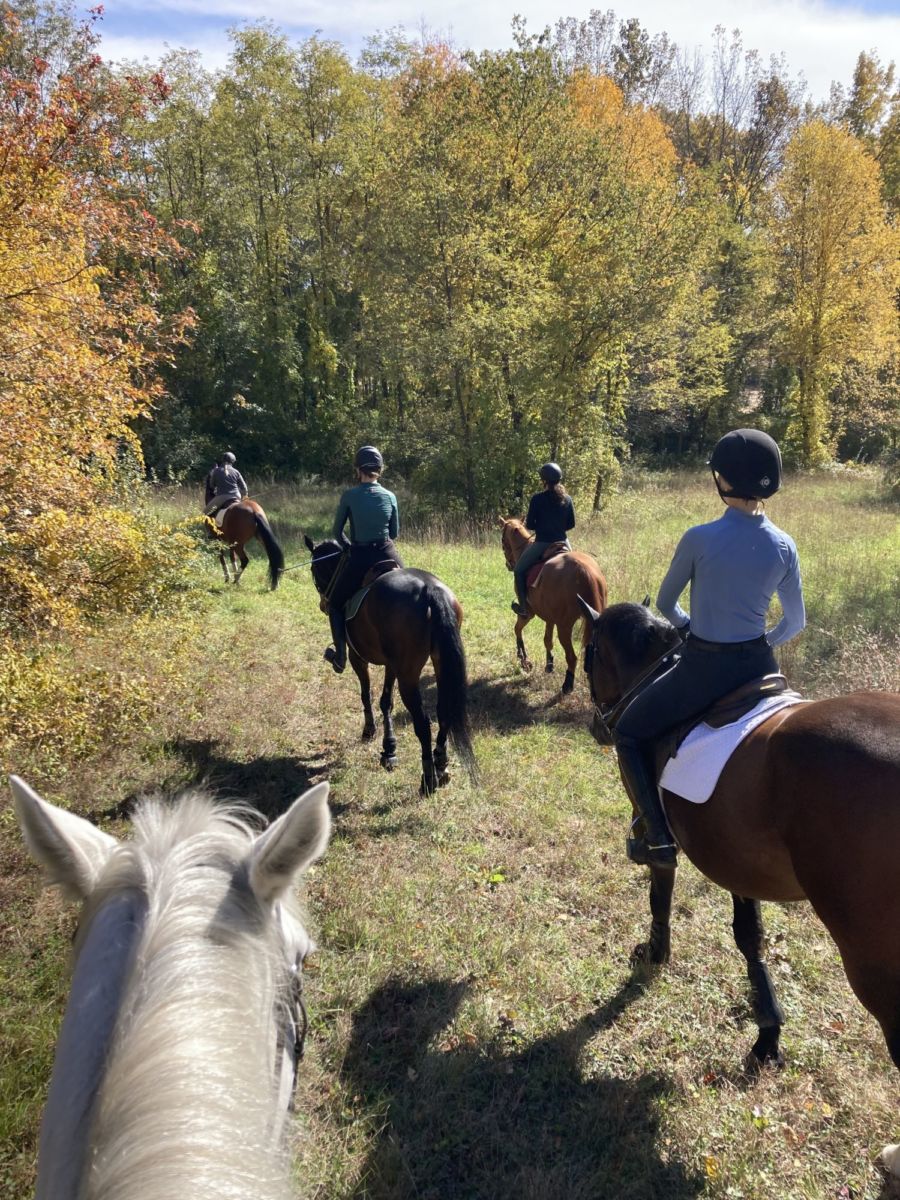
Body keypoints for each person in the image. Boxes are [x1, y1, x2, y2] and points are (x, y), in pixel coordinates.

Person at [613, 428, 806, 869]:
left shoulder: (698, 538)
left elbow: (665, 604)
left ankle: (658, 838)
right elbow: (795, 622)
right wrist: (760, 644)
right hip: (762, 669)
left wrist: (689, 628)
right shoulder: (785, 545)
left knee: (627, 731)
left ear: (722, 481)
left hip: (704, 666)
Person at [323, 445, 403, 673]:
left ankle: (340, 656)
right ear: (380, 469)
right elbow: (394, 533)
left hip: (360, 556)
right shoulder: (390, 496)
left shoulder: (349, 496)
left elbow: (337, 532)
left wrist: (349, 547)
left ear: (358, 469)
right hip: (388, 553)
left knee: (335, 604)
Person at [511, 462, 576, 616]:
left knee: (519, 571)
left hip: (542, 543)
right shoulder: (567, 499)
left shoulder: (537, 499)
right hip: (563, 542)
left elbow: (531, 525)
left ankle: (524, 609)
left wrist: (542, 527)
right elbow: (571, 524)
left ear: (543, 480)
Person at [204, 451, 248, 518]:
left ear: (222, 460)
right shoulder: (236, 472)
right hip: (236, 496)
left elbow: (211, 485)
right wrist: (245, 496)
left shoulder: (216, 471)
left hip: (221, 497)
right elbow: (244, 487)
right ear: (232, 461)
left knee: (206, 512)